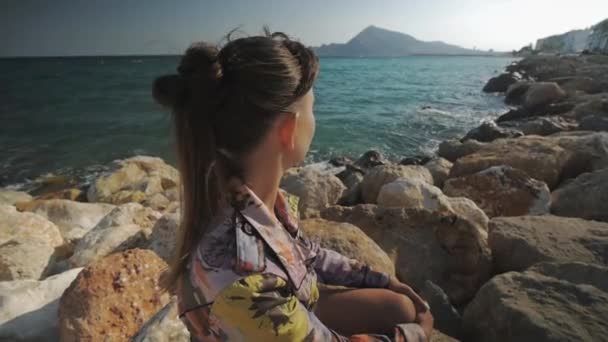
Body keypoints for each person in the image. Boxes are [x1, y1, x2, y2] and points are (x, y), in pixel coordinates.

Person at [153, 29, 434, 341]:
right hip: (263, 319)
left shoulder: (246, 200)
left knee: (400, 307)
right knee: (408, 318)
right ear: (289, 129)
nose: (315, 119)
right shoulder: (243, 284)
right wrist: (417, 336)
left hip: (288, 305)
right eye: (312, 108)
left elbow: (305, 254)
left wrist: (382, 281)